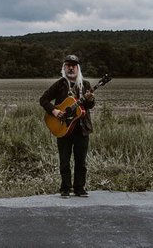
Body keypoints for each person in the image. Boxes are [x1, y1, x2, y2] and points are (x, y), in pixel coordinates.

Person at [39, 54, 95, 198]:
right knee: (64, 161)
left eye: (73, 66)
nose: (71, 68)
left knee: (81, 161)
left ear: (78, 68)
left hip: (81, 128)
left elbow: (89, 106)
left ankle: (79, 188)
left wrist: (90, 99)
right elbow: (43, 99)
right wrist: (54, 111)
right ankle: (65, 188)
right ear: (64, 68)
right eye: (68, 65)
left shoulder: (86, 85)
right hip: (63, 127)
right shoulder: (60, 84)